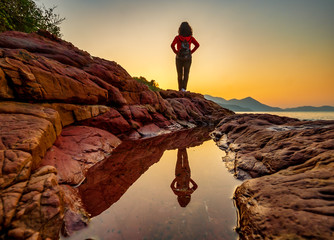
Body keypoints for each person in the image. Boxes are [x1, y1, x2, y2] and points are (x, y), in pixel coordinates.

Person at [171, 22, 200, 92]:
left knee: (179, 74)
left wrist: (176, 52)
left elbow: (172, 45)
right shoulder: (191, 38)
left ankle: (180, 89)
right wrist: (191, 52)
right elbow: (197, 45)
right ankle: (184, 89)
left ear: (180, 29)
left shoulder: (177, 38)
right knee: (186, 73)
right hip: (188, 58)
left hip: (179, 58)